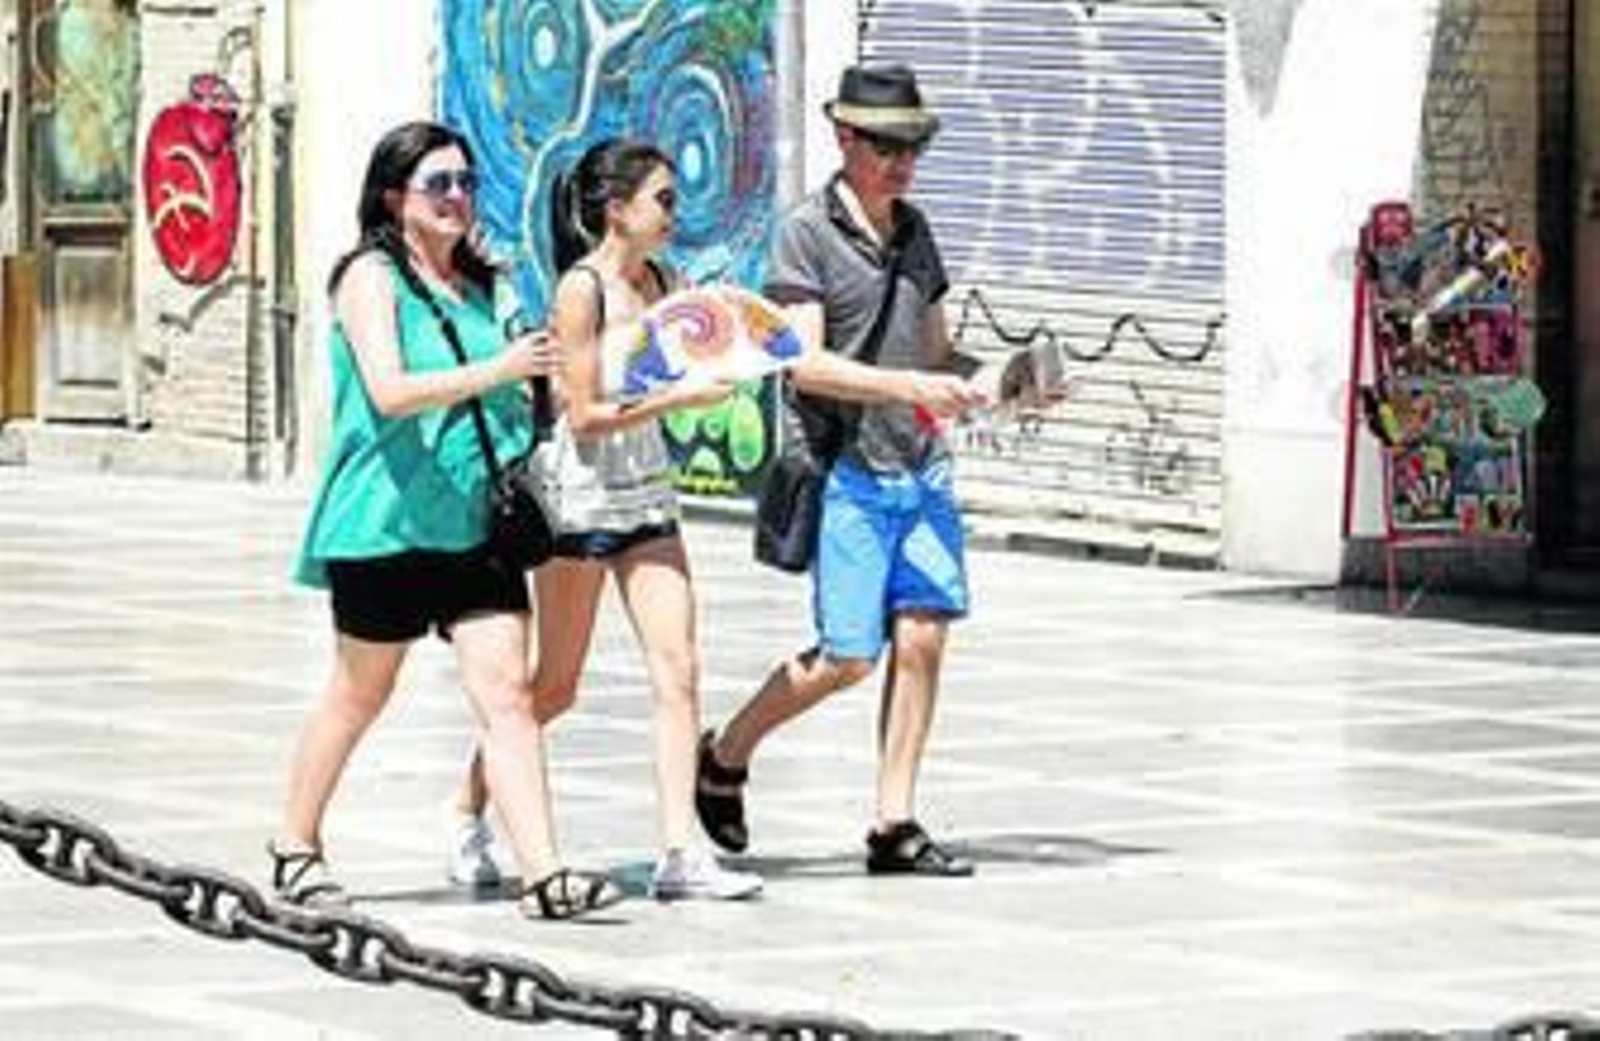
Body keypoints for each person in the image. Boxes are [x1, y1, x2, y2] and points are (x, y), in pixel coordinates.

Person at [273, 120, 622, 921]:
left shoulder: (487, 283)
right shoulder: (370, 277)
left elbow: (518, 387)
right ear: (396, 197)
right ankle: (296, 842)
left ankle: (546, 874)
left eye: (466, 182)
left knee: (507, 696)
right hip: (386, 518)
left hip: (477, 520)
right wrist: (497, 368)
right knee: (361, 691)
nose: (459, 197)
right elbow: (390, 392)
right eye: (440, 184)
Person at [448, 139, 763, 902]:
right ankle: (466, 810)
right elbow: (584, 415)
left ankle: (679, 853)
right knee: (554, 687)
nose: (673, 212)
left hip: (647, 494)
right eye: (662, 198)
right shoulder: (580, 290)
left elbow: (697, 354)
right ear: (616, 210)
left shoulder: (665, 280)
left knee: (679, 669)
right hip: (582, 497)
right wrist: (679, 401)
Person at [695, 64, 985, 876]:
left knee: (924, 636)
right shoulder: (805, 232)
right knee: (848, 657)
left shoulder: (916, 231)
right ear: (845, 138)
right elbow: (807, 364)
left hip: (920, 468)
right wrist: (911, 385)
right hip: (850, 470)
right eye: (888, 145)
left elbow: (935, 350)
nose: (903, 162)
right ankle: (725, 753)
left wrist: (1004, 381)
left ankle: (895, 821)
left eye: (914, 146)